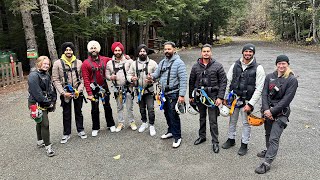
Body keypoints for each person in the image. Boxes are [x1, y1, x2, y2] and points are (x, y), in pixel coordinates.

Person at [254, 55, 298, 174]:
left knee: (274, 138)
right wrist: (266, 109)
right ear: (276, 64)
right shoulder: (270, 77)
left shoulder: (291, 80)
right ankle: (269, 151)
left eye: (284, 63)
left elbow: (287, 100)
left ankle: (267, 163)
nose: (281, 66)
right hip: (267, 111)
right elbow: (264, 94)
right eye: (279, 63)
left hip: (281, 113)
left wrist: (272, 112)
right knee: (268, 134)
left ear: (288, 64)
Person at [222, 43, 266, 156]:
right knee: (232, 121)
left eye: (250, 52)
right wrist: (226, 97)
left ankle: (244, 144)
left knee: (246, 123)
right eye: (246, 51)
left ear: (253, 53)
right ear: (242, 52)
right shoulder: (235, 65)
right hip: (234, 99)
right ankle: (231, 139)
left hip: (247, 101)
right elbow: (228, 81)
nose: (248, 53)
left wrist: (250, 104)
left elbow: (259, 88)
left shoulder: (259, 68)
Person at [146, 41, 187, 148]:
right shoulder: (163, 62)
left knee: (174, 115)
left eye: (169, 49)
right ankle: (170, 131)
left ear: (174, 49)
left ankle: (177, 136)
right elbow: (157, 73)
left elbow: (183, 80)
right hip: (164, 94)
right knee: (167, 114)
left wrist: (181, 95)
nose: (167, 51)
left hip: (174, 94)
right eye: (165, 49)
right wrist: (152, 77)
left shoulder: (179, 63)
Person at [189, 44, 227, 153]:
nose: (206, 53)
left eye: (208, 51)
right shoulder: (195, 66)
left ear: (211, 53)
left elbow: (223, 82)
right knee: (202, 118)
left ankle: (215, 142)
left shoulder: (218, 66)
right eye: (204, 51)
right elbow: (191, 82)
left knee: (213, 120)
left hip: (213, 97)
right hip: (199, 96)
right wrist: (191, 96)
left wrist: (220, 97)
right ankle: (202, 136)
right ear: (201, 53)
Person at [52, 42, 87, 144]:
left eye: (70, 50)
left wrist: (79, 90)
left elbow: (83, 78)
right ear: (63, 51)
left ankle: (80, 130)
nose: (68, 52)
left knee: (78, 111)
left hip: (77, 92)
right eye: (66, 50)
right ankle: (66, 133)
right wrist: (63, 93)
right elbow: (55, 79)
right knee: (66, 113)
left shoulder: (79, 62)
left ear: (73, 51)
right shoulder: (57, 63)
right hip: (65, 92)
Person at [82, 40, 116, 137]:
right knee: (95, 108)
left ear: (98, 49)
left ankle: (111, 124)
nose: (93, 50)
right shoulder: (85, 63)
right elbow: (86, 79)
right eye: (92, 48)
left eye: (95, 48)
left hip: (104, 87)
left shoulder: (105, 59)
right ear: (89, 50)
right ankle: (95, 127)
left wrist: (125, 57)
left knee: (107, 106)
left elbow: (116, 59)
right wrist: (89, 93)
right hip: (94, 89)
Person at [28, 56, 57, 157]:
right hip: (36, 103)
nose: (46, 65)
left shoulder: (46, 74)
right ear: (39, 63)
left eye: (48, 64)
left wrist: (53, 100)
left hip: (44, 101)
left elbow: (50, 88)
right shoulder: (33, 75)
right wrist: (48, 103)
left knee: (39, 122)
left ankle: (40, 140)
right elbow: (37, 93)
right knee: (45, 123)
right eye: (44, 63)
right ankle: (48, 147)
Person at [127, 44, 158, 136]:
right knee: (141, 108)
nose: (142, 53)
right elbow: (128, 75)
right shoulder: (134, 64)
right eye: (140, 51)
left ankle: (151, 125)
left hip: (149, 90)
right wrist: (131, 79)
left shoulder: (153, 63)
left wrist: (152, 79)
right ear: (138, 52)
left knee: (151, 108)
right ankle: (144, 122)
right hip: (139, 91)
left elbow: (158, 75)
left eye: (144, 51)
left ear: (146, 52)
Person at [106, 42, 136, 132]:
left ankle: (132, 122)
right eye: (116, 50)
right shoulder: (109, 63)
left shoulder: (129, 61)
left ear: (122, 51)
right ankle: (120, 123)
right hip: (117, 88)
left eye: (119, 50)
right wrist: (111, 77)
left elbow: (135, 71)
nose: (117, 52)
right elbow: (107, 75)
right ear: (113, 51)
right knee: (119, 107)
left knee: (129, 106)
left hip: (128, 87)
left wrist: (133, 80)